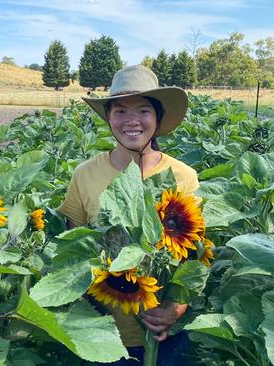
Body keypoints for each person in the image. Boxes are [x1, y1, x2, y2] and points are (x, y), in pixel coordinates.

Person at [57, 65, 198, 365]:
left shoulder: (183, 176)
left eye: (143, 110)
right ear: (108, 117)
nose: (132, 121)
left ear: (157, 118)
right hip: (103, 334)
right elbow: (73, 253)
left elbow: (195, 253)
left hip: (166, 337)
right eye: (120, 111)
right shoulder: (85, 175)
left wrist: (177, 307)